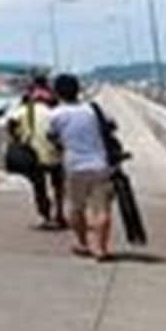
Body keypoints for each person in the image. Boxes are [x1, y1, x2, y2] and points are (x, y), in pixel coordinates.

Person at [46, 73, 114, 260]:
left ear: (57, 92)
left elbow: (51, 137)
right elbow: (112, 125)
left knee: (76, 208)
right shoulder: (93, 110)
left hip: (74, 166)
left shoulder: (56, 115)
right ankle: (101, 247)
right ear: (78, 90)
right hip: (100, 164)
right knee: (102, 209)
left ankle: (83, 243)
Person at [7, 76, 66, 229]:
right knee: (58, 185)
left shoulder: (25, 108)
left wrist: (17, 138)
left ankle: (45, 216)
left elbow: (11, 123)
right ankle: (59, 214)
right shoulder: (54, 108)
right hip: (54, 152)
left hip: (33, 153)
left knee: (39, 186)